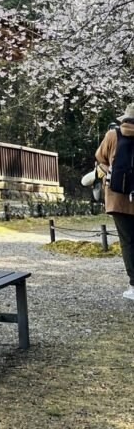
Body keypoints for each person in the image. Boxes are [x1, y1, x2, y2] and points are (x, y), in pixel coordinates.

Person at [95, 102, 134, 302]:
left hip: (117, 199)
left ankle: (133, 286)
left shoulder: (112, 135)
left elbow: (100, 158)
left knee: (128, 242)